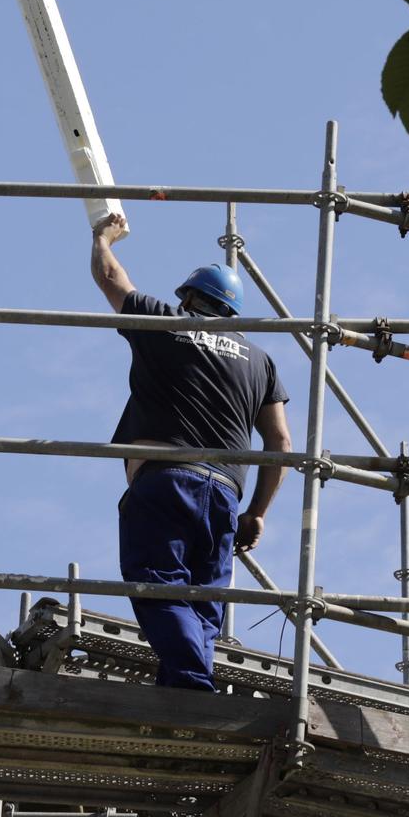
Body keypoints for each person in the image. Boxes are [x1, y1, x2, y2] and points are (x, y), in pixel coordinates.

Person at [90, 211, 291, 690]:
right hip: (225, 492)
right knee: (203, 601)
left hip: (166, 479)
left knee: (157, 581)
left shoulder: (165, 324)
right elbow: (280, 442)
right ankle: (188, 687)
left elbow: (110, 277)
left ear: (188, 298)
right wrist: (258, 511)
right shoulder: (260, 361)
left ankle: (192, 688)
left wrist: (103, 238)